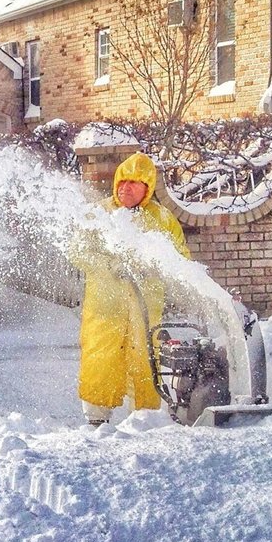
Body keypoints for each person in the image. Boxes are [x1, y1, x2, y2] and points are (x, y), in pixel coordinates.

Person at [75, 152, 190, 426]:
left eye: (134, 183)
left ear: (147, 188)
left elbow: (181, 257)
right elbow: (78, 251)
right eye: (122, 181)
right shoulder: (99, 214)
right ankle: (96, 419)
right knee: (100, 359)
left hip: (145, 310)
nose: (125, 187)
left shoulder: (162, 219)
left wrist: (154, 265)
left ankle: (144, 419)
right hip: (105, 308)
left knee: (145, 360)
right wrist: (109, 266)